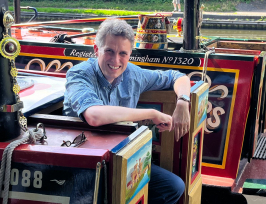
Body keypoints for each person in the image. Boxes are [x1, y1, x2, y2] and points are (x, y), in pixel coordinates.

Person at [63, 19, 191, 204]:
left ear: (130, 54)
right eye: (109, 51)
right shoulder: (79, 74)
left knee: (173, 187)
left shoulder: (134, 74)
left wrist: (182, 103)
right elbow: (94, 115)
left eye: (123, 53)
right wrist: (152, 114)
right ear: (96, 50)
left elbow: (177, 76)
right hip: (85, 166)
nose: (116, 60)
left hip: (121, 158)